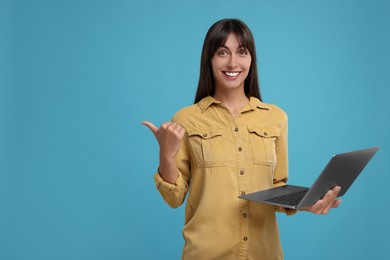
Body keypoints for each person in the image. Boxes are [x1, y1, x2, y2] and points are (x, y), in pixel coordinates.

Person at [142, 18, 342, 260]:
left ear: (251, 59)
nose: (232, 63)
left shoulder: (276, 118)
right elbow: (174, 198)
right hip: (206, 254)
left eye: (242, 52)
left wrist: (306, 201)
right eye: (222, 52)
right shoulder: (186, 119)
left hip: (264, 253)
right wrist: (166, 154)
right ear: (209, 59)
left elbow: (276, 190)